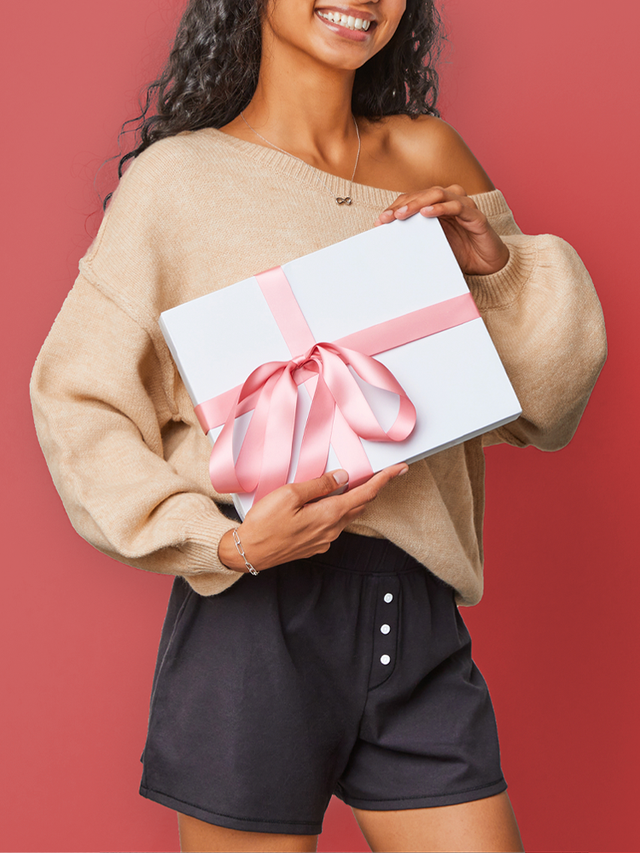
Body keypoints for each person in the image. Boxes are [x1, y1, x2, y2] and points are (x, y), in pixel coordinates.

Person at [30, 0, 606, 850]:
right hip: (252, 622)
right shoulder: (177, 182)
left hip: (414, 610)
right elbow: (77, 401)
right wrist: (222, 544)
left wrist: (498, 271)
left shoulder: (429, 155)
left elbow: (547, 405)